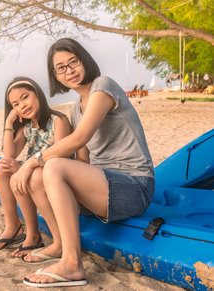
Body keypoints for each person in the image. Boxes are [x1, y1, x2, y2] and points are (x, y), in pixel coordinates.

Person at [9, 39, 155, 287]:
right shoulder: (76, 109)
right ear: (55, 75)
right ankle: (59, 244)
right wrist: (51, 182)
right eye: (61, 68)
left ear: (84, 59)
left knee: (49, 165)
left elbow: (79, 139)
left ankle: (72, 263)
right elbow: (83, 160)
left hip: (134, 186)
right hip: (101, 186)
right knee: (39, 175)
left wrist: (33, 160)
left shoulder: (103, 86)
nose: (69, 71)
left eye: (73, 62)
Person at [0, 76, 72, 259]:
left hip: (54, 179)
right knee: (2, 166)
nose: (22, 106)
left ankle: (33, 235)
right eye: (15, 104)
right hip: (33, 175)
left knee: (23, 173)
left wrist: (22, 168)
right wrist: (9, 123)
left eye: (25, 97)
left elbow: (60, 158)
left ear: (38, 94)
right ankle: (14, 226)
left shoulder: (58, 121)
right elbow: (10, 154)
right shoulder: (27, 127)